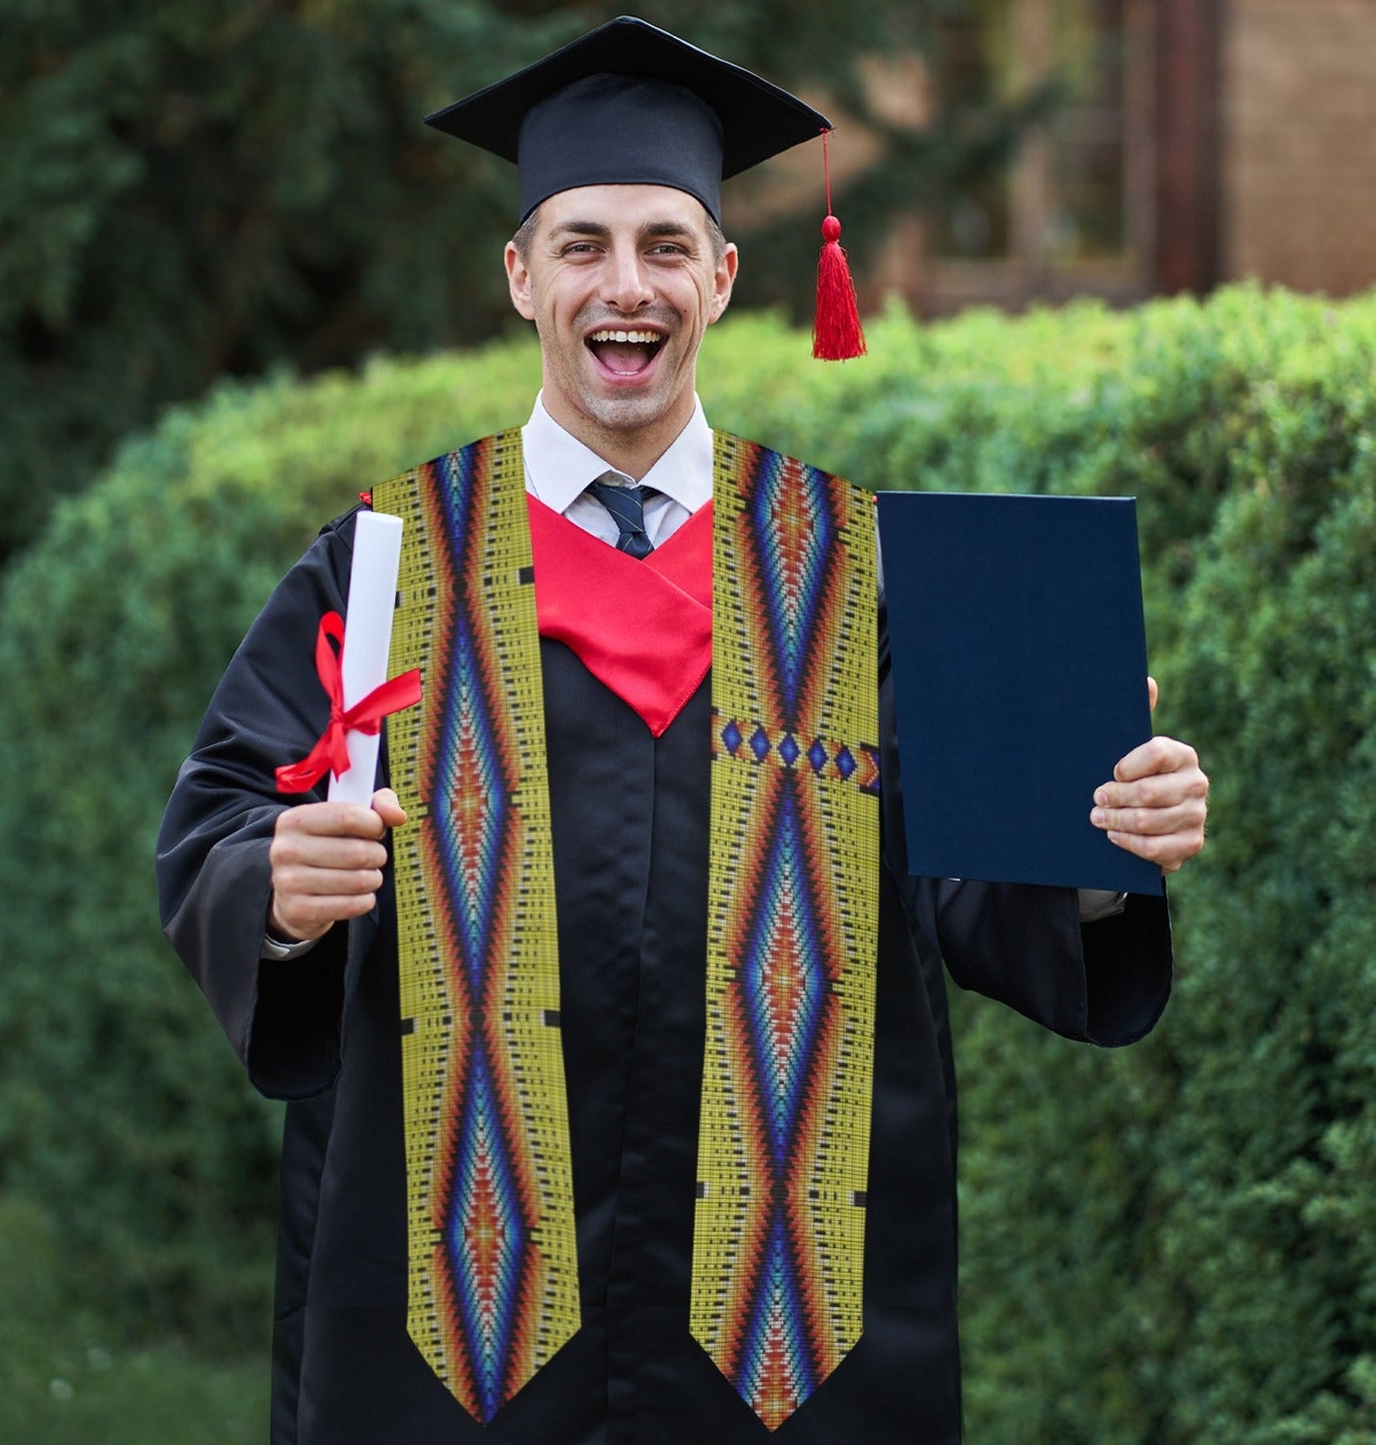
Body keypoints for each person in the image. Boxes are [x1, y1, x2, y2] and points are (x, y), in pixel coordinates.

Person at [156, 17, 1208, 1445]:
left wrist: (1098, 843)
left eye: (663, 244)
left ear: (720, 275)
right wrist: (273, 888)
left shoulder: (862, 571)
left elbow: (973, 889)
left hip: (793, 1337)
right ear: (520, 275)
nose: (623, 285)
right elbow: (221, 819)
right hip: (454, 1335)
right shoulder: (388, 564)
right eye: (581, 244)